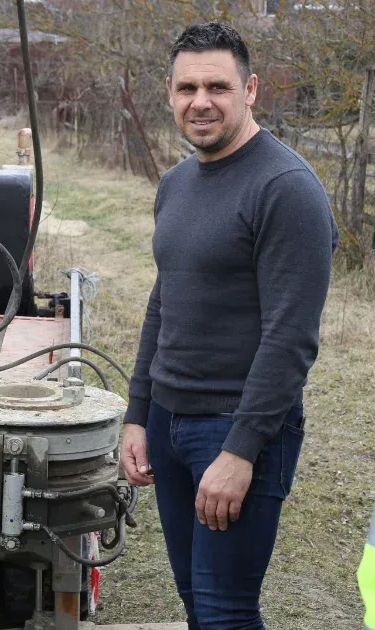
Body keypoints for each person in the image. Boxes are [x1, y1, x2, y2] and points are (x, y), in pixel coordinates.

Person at [119, 22, 338, 630]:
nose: (201, 101)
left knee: (225, 612)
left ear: (250, 90)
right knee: (195, 600)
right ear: (169, 91)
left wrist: (241, 450)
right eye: (187, 87)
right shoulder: (176, 183)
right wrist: (138, 413)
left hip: (238, 427)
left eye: (218, 85)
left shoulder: (286, 189)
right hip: (168, 420)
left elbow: (291, 338)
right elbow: (165, 300)